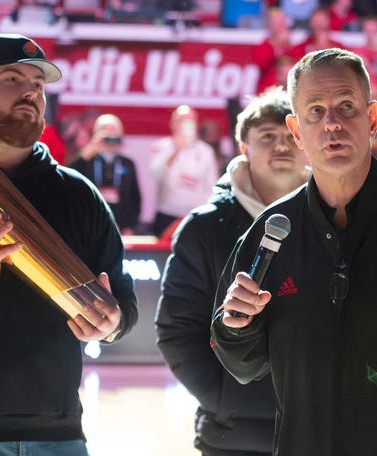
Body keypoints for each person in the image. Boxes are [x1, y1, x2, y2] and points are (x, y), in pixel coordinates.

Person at [0, 33, 138, 455]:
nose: (30, 92)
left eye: (38, 85)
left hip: (57, 434)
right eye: (11, 78)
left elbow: (123, 301)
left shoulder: (79, 194)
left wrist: (112, 324)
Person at [211, 47, 377, 455]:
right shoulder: (270, 232)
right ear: (298, 130)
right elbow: (243, 364)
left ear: (371, 119)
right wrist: (237, 324)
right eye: (315, 111)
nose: (332, 124)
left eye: (346, 106)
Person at [155, 86, 309, 456]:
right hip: (231, 435)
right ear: (244, 147)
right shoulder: (204, 227)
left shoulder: (335, 221)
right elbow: (176, 329)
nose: (281, 145)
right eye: (267, 136)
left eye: (291, 136)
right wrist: (224, 398)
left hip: (320, 430)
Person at [150, 104, 219, 237]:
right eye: (181, 120)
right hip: (167, 214)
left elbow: (211, 186)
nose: (185, 124)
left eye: (190, 120)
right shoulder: (161, 146)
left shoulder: (206, 151)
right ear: (173, 123)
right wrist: (176, 149)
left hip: (195, 216)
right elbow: (156, 174)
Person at [70, 113, 141, 234]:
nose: (110, 138)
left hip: (119, 223)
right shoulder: (87, 160)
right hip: (89, 222)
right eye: (105, 132)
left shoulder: (127, 163)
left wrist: (130, 226)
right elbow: (69, 178)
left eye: (114, 132)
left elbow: (135, 197)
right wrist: (90, 150)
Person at [252, 7, 293, 95]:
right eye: (276, 23)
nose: (280, 27)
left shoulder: (291, 47)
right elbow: (264, 64)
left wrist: (288, 45)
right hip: (267, 93)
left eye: (282, 23)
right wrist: (277, 44)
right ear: (269, 25)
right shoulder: (261, 47)